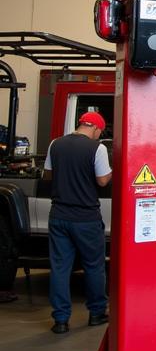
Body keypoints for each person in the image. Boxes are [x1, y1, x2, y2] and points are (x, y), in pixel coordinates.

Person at [44, 111, 112, 334]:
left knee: (60, 268)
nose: (98, 137)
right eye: (99, 133)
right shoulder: (97, 148)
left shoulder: (56, 144)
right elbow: (102, 181)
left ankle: (61, 320)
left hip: (59, 216)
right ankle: (96, 313)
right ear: (95, 129)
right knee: (94, 266)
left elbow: (47, 175)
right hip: (86, 219)